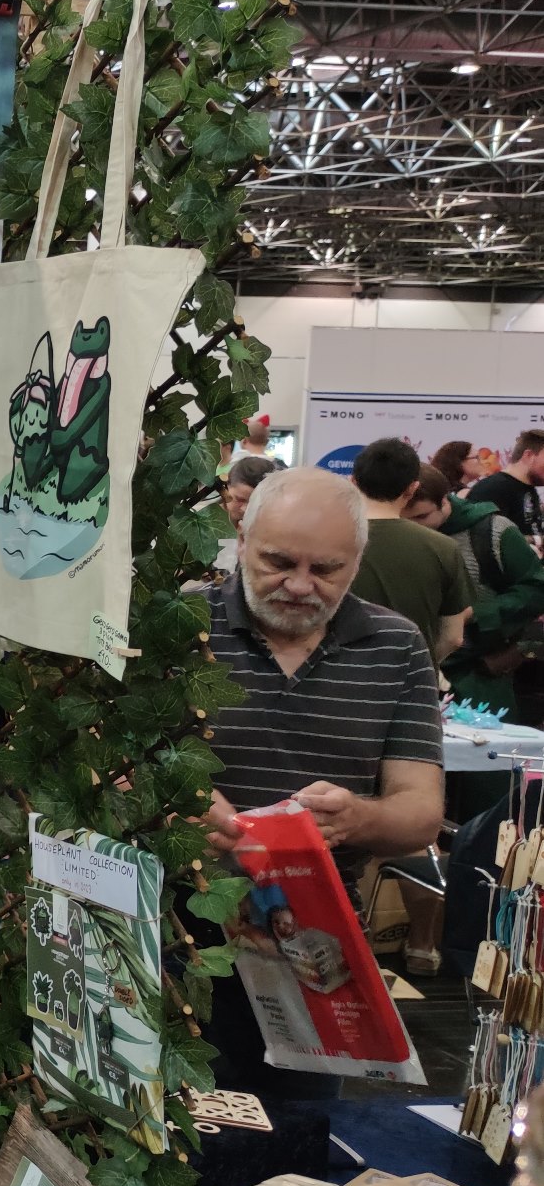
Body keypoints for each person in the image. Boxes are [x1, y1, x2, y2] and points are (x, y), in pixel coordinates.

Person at [195, 468, 444, 1098]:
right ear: (241, 537)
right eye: (278, 562)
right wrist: (179, 800)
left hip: (312, 948)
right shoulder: (180, 626)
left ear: (358, 561)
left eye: (327, 569)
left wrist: (357, 818)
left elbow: (421, 813)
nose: (301, 585)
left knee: (294, 1135)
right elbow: (102, 760)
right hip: (177, 937)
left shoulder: (396, 647)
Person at [410, 464, 544, 720]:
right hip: (410, 671)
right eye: (405, 519)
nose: (414, 527)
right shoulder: (392, 532)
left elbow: (537, 588)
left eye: (422, 517)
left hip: (477, 677)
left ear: (445, 501)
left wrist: (476, 614)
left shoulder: (493, 530)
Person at [348, 438, 470, 663]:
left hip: (338, 674)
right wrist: (421, 666)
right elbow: (453, 637)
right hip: (412, 676)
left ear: (353, 482)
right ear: (412, 488)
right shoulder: (443, 548)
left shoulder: (326, 539)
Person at [469, 428, 544, 542]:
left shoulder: (528, 488)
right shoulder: (493, 488)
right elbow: (485, 540)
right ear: (528, 455)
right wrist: (536, 540)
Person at [215, 456, 280, 575]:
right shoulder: (204, 522)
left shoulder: (272, 530)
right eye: (239, 499)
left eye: (254, 502)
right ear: (226, 488)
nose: (245, 509)